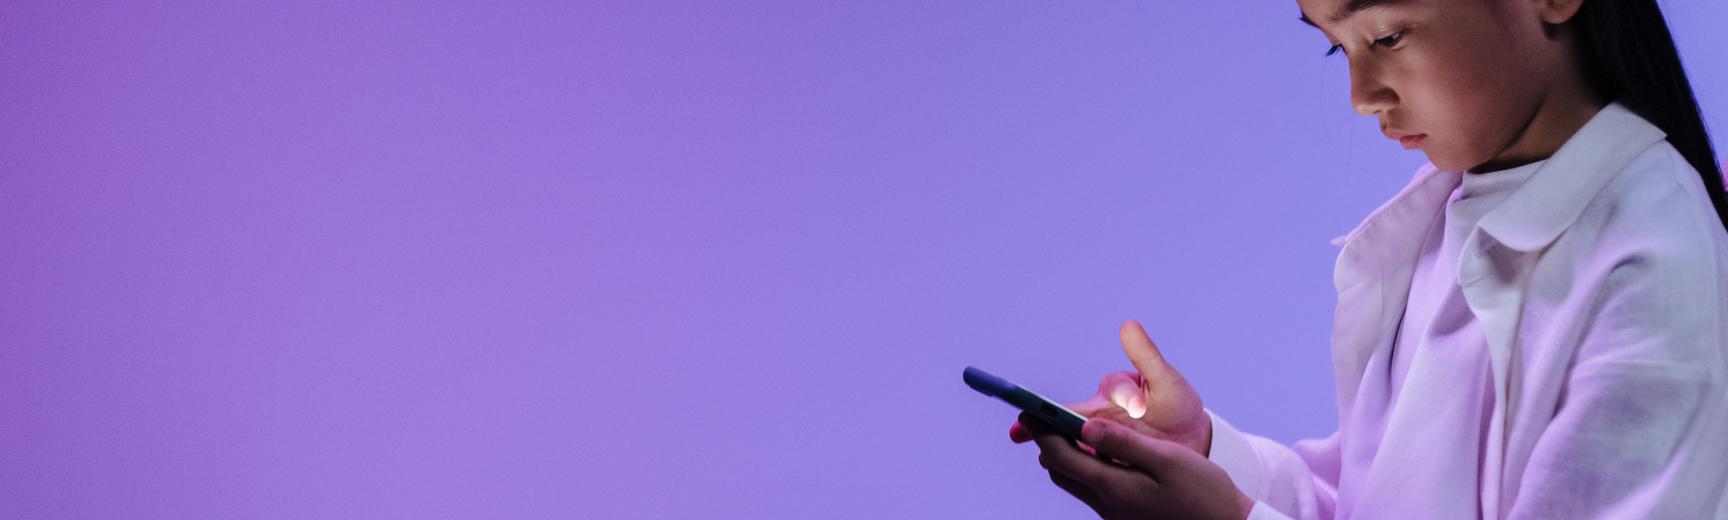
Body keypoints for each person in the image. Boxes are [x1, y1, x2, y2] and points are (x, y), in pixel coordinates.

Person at [1008, 0, 1728, 518]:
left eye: (1385, 35)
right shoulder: (1450, 218)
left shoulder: (1659, 274)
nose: (1360, 96)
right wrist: (1202, 454)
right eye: (1335, 45)